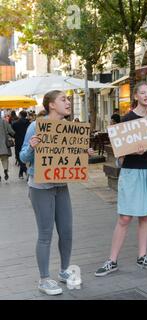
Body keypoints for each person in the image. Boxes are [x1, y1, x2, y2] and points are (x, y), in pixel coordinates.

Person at [20, 90, 94, 296]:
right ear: (51, 105)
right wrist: (32, 147)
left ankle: (63, 271)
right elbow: (23, 156)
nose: (68, 102)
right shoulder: (36, 126)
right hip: (40, 187)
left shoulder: (69, 128)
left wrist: (83, 152)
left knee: (67, 231)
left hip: (61, 185)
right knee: (45, 235)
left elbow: (67, 154)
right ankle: (44, 279)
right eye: (64, 99)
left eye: (68, 99)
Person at [95, 81, 147, 276]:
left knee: (145, 215)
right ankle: (112, 260)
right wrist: (133, 150)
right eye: (142, 92)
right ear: (135, 96)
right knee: (125, 217)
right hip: (131, 171)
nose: (146, 95)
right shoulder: (126, 120)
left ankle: (142, 256)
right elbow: (120, 156)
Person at [12, 110, 30, 179]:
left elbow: (12, 132)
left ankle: (25, 170)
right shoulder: (29, 123)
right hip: (27, 142)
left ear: (19, 115)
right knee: (23, 156)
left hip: (18, 142)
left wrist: (15, 136)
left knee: (19, 156)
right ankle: (20, 173)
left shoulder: (15, 123)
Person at [0, 116, 15, 182]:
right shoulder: (4, 121)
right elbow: (12, 132)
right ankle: (5, 170)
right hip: (4, 145)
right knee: (4, 159)